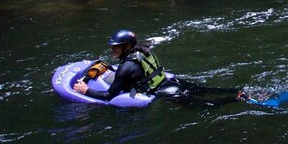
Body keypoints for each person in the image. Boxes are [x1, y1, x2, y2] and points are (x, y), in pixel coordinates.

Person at [74, 29, 248, 107]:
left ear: (127, 46)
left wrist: (85, 90)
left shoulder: (126, 66)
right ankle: (237, 91)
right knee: (206, 90)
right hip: (170, 81)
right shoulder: (142, 50)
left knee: (205, 105)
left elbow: (108, 96)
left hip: (165, 93)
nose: (113, 49)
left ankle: (236, 100)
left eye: (117, 46)